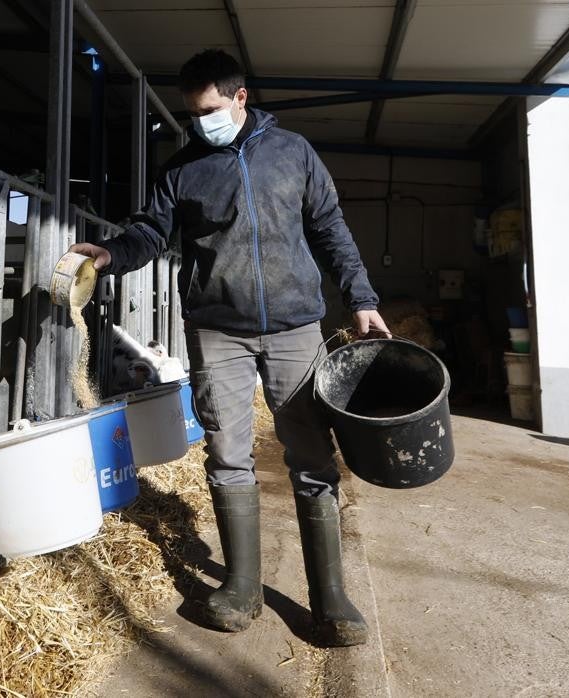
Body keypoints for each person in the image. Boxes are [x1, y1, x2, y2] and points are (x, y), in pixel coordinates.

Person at [69, 49, 388, 647]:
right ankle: (241, 586)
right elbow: (148, 231)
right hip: (218, 329)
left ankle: (331, 596)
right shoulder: (185, 168)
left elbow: (330, 228)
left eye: (210, 110)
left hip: (296, 325)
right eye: (193, 115)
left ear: (241, 98)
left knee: (312, 454)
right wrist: (112, 253)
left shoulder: (293, 153)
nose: (201, 123)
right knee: (226, 452)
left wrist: (361, 298)